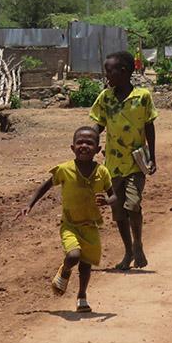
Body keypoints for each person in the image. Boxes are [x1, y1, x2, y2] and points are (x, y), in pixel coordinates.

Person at [18, 126, 115, 313]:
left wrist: (107, 202)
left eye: (89, 143)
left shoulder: (102, 172)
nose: (84, 146)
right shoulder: (64, 169)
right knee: (74, 256)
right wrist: (29, 205)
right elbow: (45, 186)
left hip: (91, 226)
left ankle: (82, 297)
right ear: (72, 147)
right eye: (80, 142)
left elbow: (115, 196)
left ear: (97, 149)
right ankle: (65, 270)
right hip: (69, 225)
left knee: (86, 266)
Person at [89, 50, 157, 270]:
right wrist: (88, 143)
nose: (107, 75)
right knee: (118, 211)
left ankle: (138, 243)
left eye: (110, 70)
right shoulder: (105, 98)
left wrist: (153, 155)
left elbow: (149, 125)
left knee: (133, 204)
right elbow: (98, 125)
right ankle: (128, 251)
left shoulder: (143, 96)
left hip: (136, 161)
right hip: (112, 165)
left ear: (125, 71)